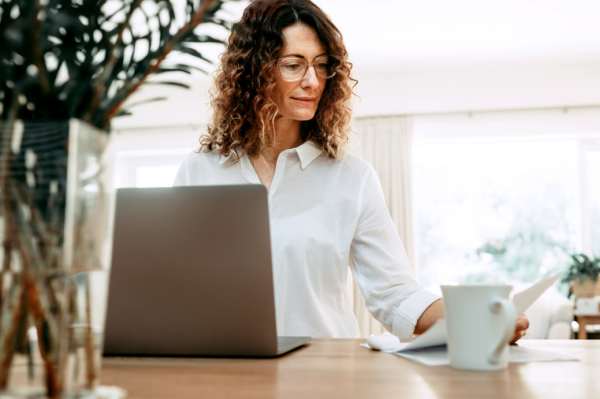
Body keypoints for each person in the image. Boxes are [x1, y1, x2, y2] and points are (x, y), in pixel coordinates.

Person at [173, 0, 529, 341]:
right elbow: (175, 288)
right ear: (255, 71)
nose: (312, 81)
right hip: (225, 373)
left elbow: (394, 294)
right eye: (294, 65)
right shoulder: (200, 171)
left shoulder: (352, 177)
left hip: (326, 373)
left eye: (321, 64)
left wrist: (476, 316)